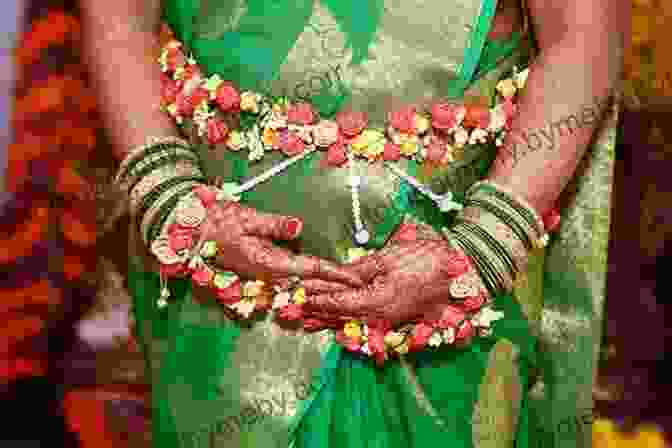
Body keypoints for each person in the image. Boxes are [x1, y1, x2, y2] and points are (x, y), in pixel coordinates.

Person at [79, 0, 625, 447]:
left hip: (452, 317)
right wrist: (171, 199)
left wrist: (482, 248)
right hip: (222, 311)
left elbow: (584, 31)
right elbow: (117, 17)